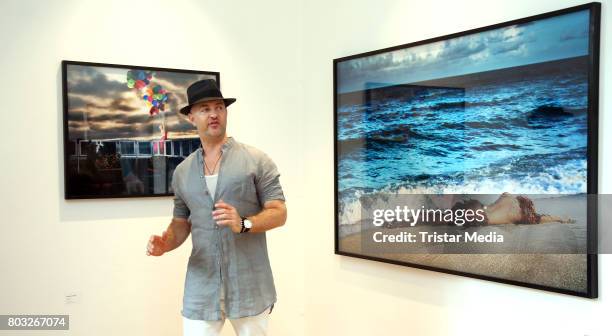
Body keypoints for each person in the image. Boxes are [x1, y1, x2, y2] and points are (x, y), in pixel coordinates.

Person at [146, 79, 287, 336]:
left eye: (219, 107)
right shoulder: (182, 172)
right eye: (204, 109)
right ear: (191, 117)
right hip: (202, 287)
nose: (213, 114)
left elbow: (279, 212)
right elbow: (181, 223)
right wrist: (165, 243)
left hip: (250, 284)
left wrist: (244, 223)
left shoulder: (256, 160)